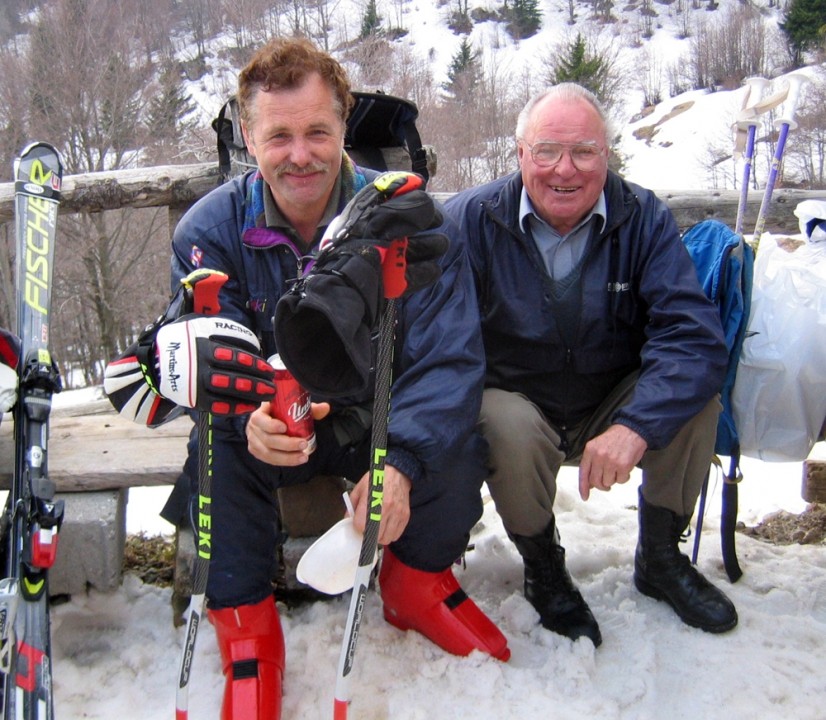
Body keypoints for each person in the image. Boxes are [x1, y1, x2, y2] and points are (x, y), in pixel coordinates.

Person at [104, 37, 508, 720]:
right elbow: (208, 355)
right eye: (279, 135)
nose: (300, 154)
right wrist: (245, 418)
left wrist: (402, 463)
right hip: (274, 420)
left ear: (343, 127)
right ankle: (246, 626)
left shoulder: (411, 220)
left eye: (318, 131)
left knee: (456, 438)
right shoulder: (212, 231)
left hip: (373, 413)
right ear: (249, 139)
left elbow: (449, 359)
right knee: (218, 449)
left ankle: (416, 581)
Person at [444, 82, 738, 648]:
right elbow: (438, 344)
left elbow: (693, 338)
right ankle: (543, 566)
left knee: (695, 396)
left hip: (608, 403)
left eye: (584, 152)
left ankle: (658, 558)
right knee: (499, 415)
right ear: (520, 153)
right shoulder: (468, 222)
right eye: (548, 150)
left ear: (607, 154)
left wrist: (636, 425)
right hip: (520, 410)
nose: (565, 170)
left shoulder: (643, 217)